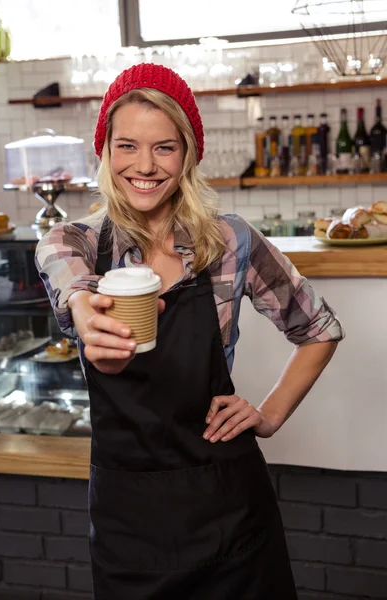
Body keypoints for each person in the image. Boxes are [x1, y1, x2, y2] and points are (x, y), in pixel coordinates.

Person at [35, 63, 344, 599]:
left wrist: (269, 415)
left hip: (233, 517)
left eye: (165, 147)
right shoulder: (73, 242)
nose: (145, 166)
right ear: (105, 152)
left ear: (188, 154)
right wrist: (92, 323)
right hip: (130, 526)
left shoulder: (230, 242)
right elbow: (76, 291)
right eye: (126, 146)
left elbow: (319, 328)